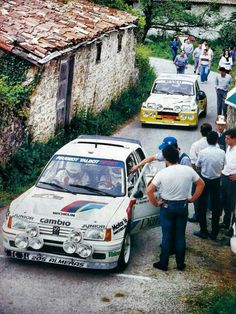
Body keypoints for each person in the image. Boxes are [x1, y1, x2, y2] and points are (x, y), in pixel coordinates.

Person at [147, 145, 205, 271]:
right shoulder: (188, 170)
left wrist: (156, 203)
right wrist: (193, 198)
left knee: (167, 235)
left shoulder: (162, 173)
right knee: (180, 235)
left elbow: (149, 190)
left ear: (166, 159)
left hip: (167, 206)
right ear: (178, 156)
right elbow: (201, 184)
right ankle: (180, 264)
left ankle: (164, 263)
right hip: (182, 205)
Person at [194, 131, 225, 240]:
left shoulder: (202, 153)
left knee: (201, 204)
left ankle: (203, 230)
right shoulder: (222, 152)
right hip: (216, 180)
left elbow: (198, 166)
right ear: (217, 140)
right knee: (216, 206)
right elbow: (223, 166)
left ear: (207, 140)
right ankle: (214, 232)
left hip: (204, 180)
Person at [188, 123, 212, 222]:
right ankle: (207, 210)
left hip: (199, 173)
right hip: (211, 174)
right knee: (209, 193)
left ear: (201, 132)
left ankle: (197, 215)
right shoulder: (214, 144)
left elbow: (193, 161)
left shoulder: (196, 144)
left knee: (196, 193)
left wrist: (196, 173)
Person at [220, 129, 236, 234]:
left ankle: (232, 227)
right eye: (225, 138)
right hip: (224, 176)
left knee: (232, 204)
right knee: (225, 202)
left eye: (228, 138)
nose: (226, 140)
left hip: (232, 180)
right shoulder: (228, 147)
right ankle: (226, 222)